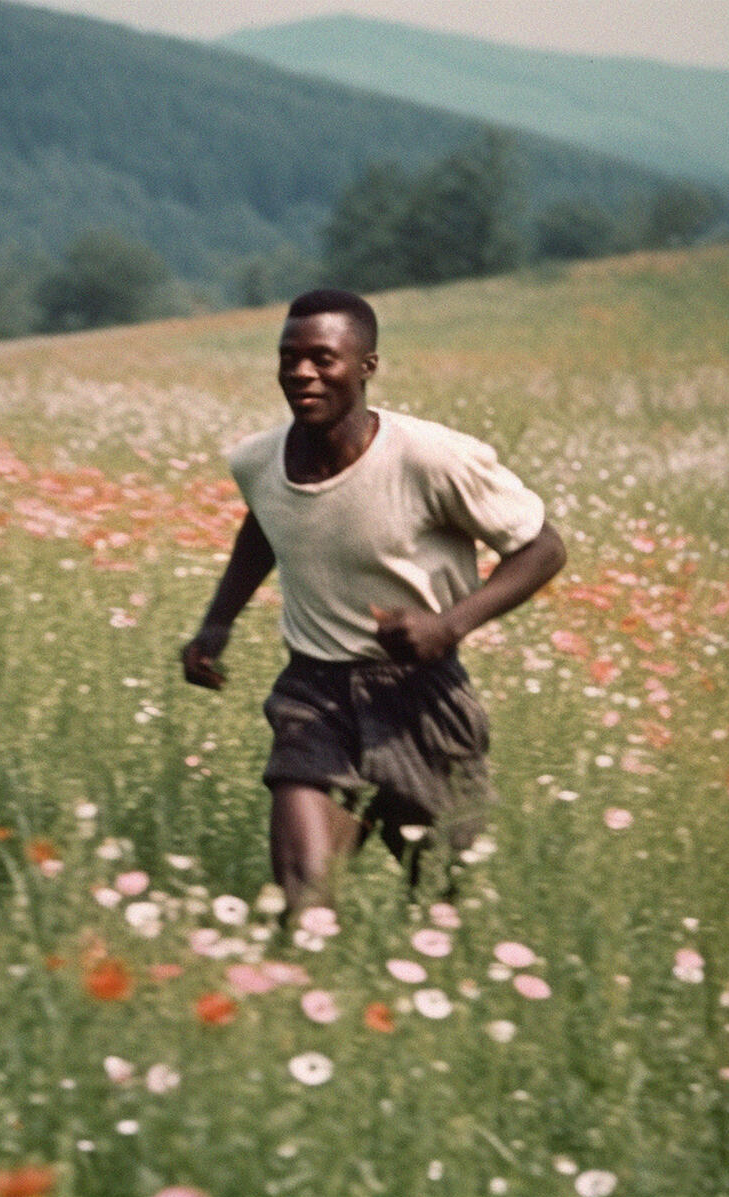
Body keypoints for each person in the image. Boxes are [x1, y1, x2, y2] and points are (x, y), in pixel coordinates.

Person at [181, 289, 566, 913]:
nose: (302, 373)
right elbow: (265, 525)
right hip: (314, 694)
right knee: (303, 901)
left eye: (323, 358)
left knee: (444, 906)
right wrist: (216, 623)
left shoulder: (430, 458)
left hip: (420, 697)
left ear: (367, 366)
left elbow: (543, 549)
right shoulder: (258, 461)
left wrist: (448, 625)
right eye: (289, 358)